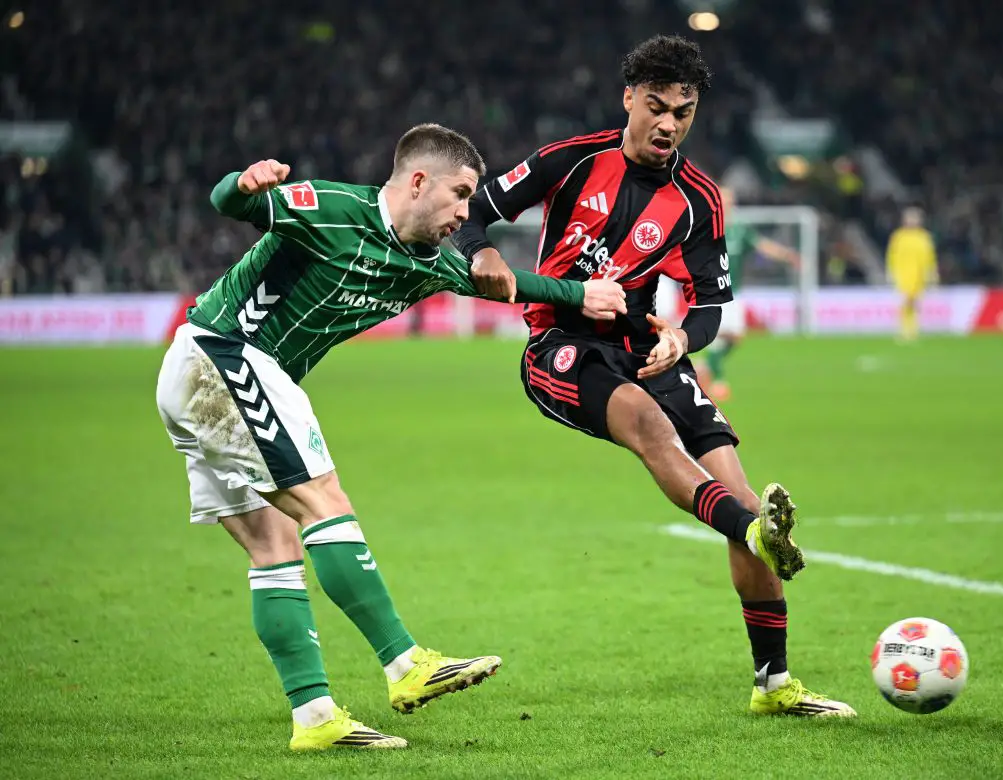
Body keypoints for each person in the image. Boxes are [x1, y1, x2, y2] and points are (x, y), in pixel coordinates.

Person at [155, 123, 627, 751]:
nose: (466, 212)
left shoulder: (427, 261)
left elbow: (503, 285)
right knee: (326, 499)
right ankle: (405, 664)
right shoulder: (333, 208)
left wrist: (582, 294)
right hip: (224, 356)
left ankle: (315, 719)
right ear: (418, 181)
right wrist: (244, 184)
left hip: (205, 380)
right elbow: (231, 205)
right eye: (460, 195)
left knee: (274, 548)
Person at [454, 36, 855, 717]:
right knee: (647, 423)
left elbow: (712, 303)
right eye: (658, 106)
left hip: (644, 346)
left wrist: (680, 336)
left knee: (738, 490)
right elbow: (474, 213)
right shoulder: (570, 159)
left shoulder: (699, 200)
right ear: (630, 99)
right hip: (560, 343)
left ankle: (774, 684)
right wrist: (486, 250)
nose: (670, 123)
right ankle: (756, 532)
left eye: (685, 112)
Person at [693, 186, 800, 401]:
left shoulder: (740, 228)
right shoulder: (704, 229)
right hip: (713, 293)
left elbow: (762, 246)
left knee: (734, 337)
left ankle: (704, 366)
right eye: (723, 200)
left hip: (735, 293)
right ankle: (718, 381)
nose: (727, 204)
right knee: (723, 334)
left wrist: (787, 255)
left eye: (730, 200)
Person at [885, 206, 938, 342]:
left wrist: (932, 272)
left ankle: (913, 330)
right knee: (905, 301)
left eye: (915, 218)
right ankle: (904, 330)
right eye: (909, 218)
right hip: (903, 273)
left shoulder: (924, 237)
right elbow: (892, 255)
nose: (912, 221)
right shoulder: (898, 236)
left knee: (915, 303)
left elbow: (930, 257)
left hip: (919, 274)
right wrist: (890, 272)